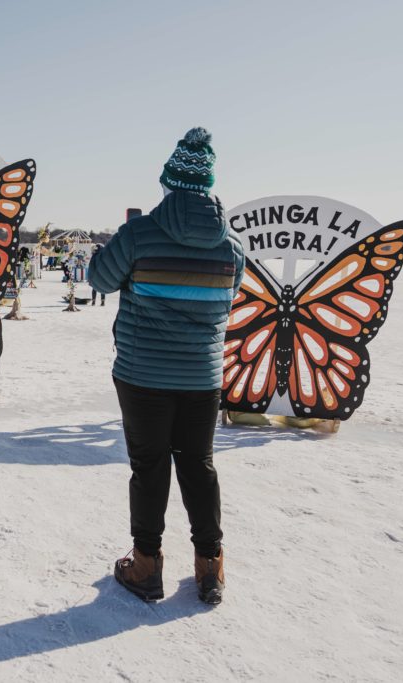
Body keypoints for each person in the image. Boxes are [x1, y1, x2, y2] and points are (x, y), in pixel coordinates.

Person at [88, 127, 245, 606]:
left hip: (143, 375)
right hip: (202, 376)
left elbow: (99, 278)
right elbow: (227, 298)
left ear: (169, 184)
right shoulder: (231, 248)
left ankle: (147, 565)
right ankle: (209, 568)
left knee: (150, 466)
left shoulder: (139, 235)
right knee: (198, 466)